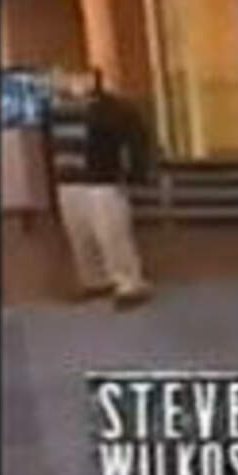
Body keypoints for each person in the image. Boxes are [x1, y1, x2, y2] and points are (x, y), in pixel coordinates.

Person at [46, 67, 154, 311]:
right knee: (79, 235)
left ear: (93, 79)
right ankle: (94, 280)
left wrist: (136, 172)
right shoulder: (57, 108)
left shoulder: (113, 108)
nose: (70, 82)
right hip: (68, 181)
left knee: (112, 234)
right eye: (67, 77)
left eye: (78, 76)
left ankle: (130, 283)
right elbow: (51, 145)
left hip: (102, 180)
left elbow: (137, 139)